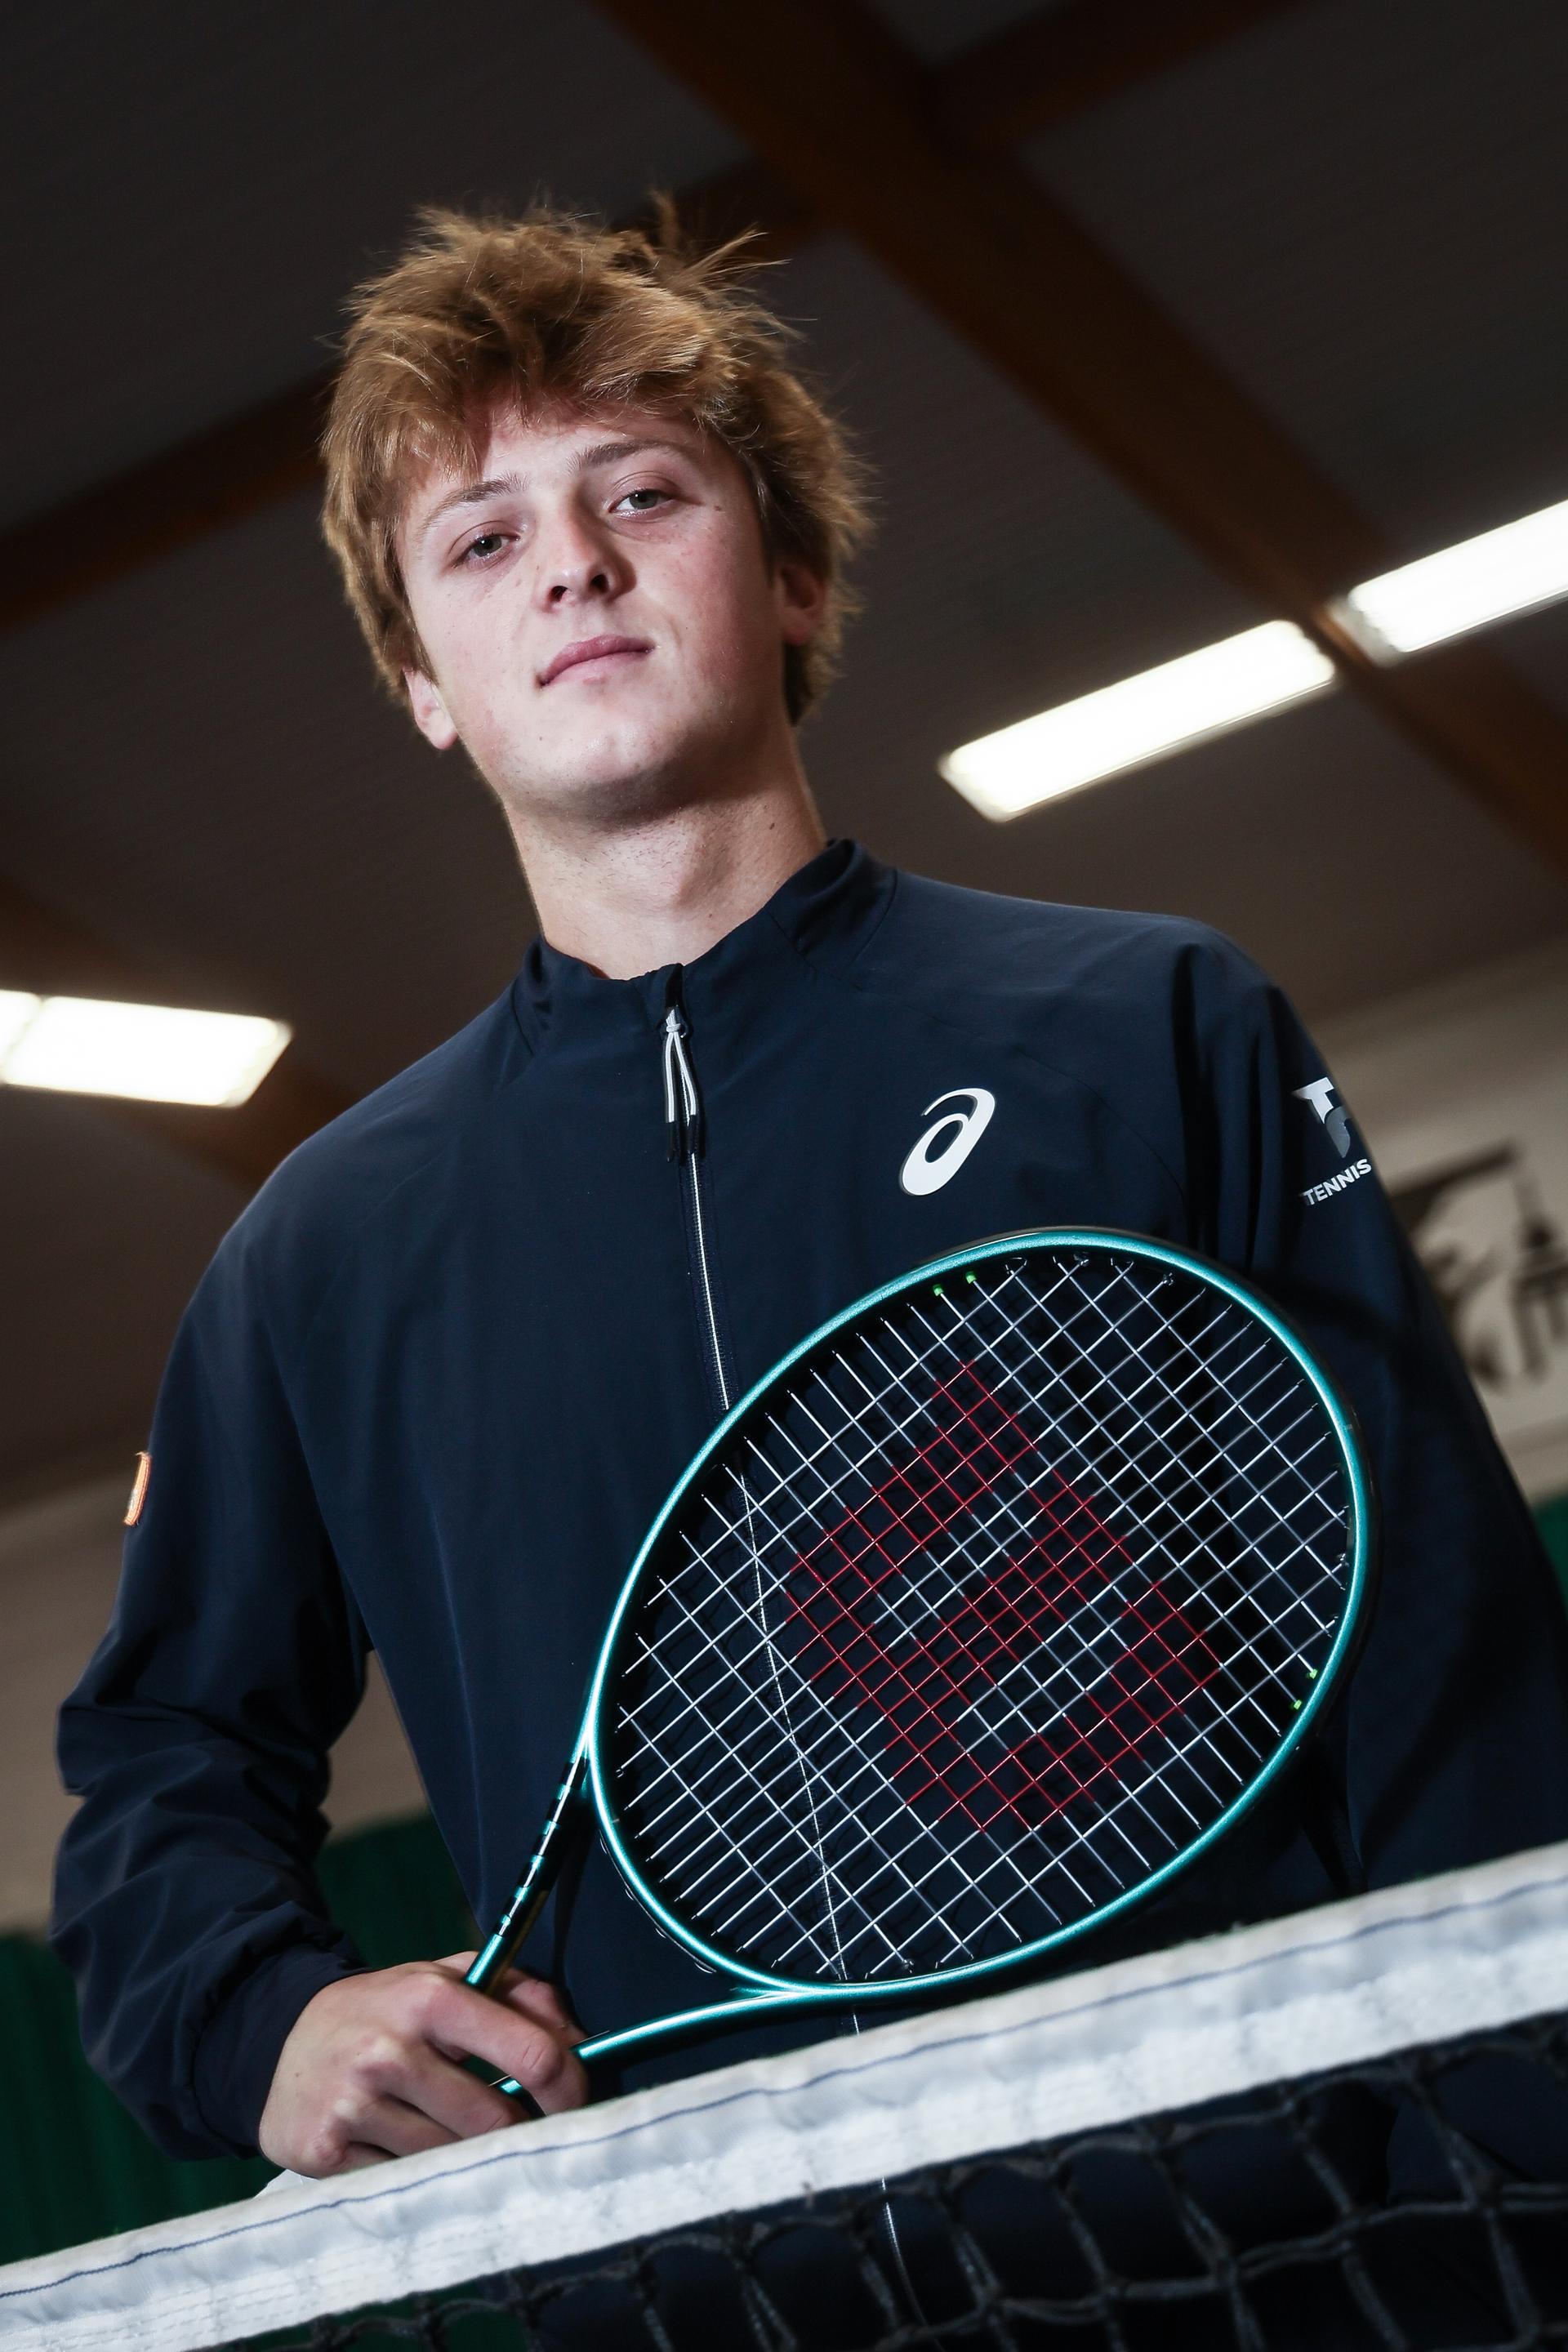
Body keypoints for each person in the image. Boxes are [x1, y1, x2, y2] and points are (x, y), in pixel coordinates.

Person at [52, 199, 1568, 2197]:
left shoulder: (1148, 1029)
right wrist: (259, 2022)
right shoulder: (315, 1259)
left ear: (793, 574)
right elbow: (162, 1760)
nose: (573, 562)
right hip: (697, 2282)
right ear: (423, 680)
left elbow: (1444, 1659)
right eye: (483, 541)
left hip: (1265, 2237)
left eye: (642, 493)